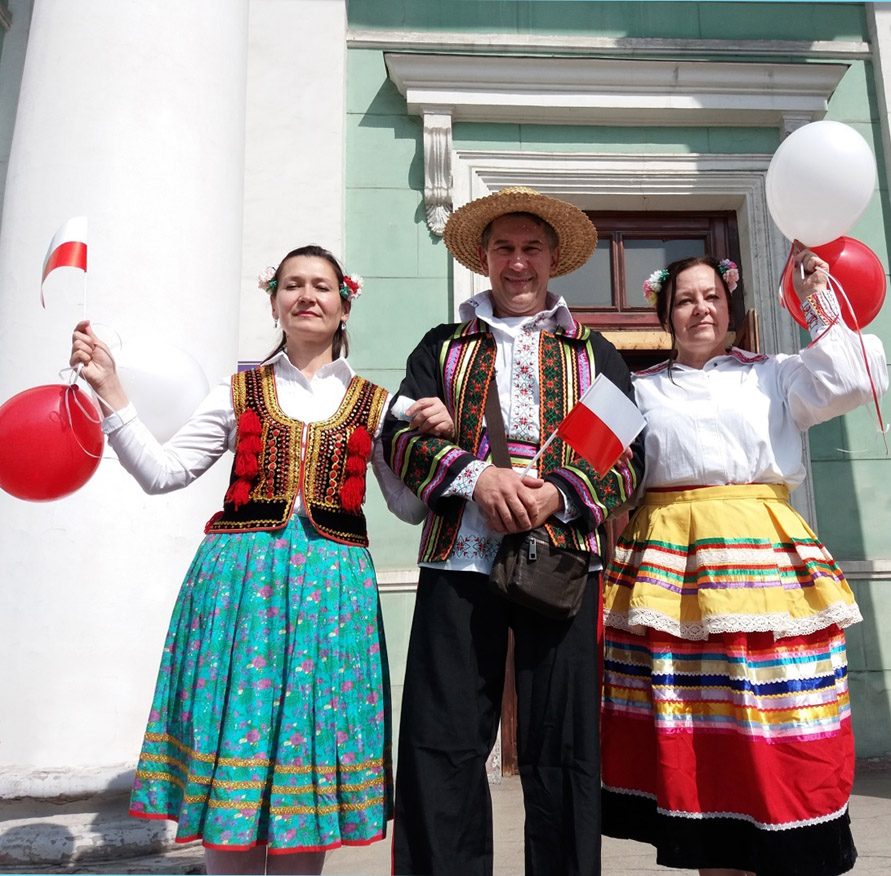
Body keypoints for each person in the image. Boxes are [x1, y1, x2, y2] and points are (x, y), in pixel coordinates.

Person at [69, 245, 450, 876]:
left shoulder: (377, 404)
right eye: (293, 285)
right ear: (275, 301)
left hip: (333, 598)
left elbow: (408, 510)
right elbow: (163, 473)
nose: (308, 295)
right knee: (234, 758)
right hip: (238, 594)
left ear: (343, 303)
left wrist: (433, 442)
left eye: (322, 286)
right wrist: (111, 390)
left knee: (308, 758)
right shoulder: (238, 389)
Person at [382, 186, 645, 876]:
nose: (518, 262)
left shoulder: (593, 351)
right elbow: (400, 440)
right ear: (484, 259)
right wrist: (478, 479)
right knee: (442, 742)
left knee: (563, 747)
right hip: (458, 563)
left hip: (560, 564)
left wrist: (557, 493)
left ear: (553, 259)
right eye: (504, 248)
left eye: (531, 249)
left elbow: (628, 460)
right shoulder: (441, 347)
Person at [600, 250, 888, 876]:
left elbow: (859, 380)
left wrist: (817, 301)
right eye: (684, 299)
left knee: (779, 724)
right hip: (675, 582)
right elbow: (573, 452)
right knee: (704, 742)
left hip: (765, 571)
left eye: (711, 296)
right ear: (665, 315)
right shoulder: (637, 389)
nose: (700, 308)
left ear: (729, 306)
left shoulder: (774, 375)